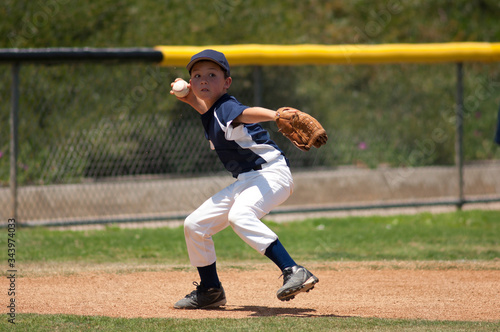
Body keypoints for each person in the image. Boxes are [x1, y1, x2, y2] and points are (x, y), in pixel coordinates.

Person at [170, 49, 319, 309]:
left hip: (272, 174)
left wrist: (275, 115)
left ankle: (294, 270)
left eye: (212, 74)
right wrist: (187, 96)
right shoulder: (211, 111)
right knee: (195, 225)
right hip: (247, 180)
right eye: (197, 75)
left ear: (227, 83)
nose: (203, 80)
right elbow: (200, 105)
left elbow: (246, 113)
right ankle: (210, 290)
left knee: (240, 215)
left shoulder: (226, 106)